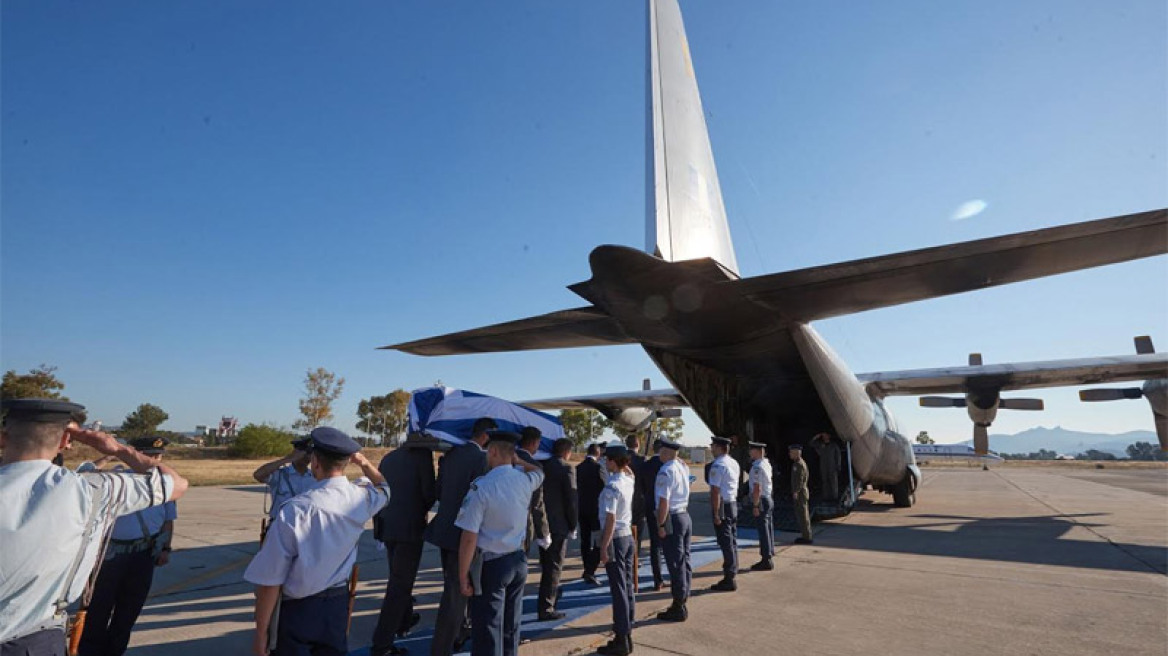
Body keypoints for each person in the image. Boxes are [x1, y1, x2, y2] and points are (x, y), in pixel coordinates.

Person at [0, 399, 189, 656]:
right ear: (67, 441)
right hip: (33, 641)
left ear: (3, 438)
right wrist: (115, 448)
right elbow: (176, 484)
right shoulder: (92, 490)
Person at [244, 427, 389, 656]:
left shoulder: (295, 510)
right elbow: (385, 489)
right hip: (336, 606)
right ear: (346, 462)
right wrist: (363, 463)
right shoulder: (361, 498)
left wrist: (262, 633)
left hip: (298, 609)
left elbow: (270, 580)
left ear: (315, 462)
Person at [78, 437, 178, 656]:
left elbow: (167, 521)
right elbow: (83, 476)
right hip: (110, 555)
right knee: (97, 611)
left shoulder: (165, 485)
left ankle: (115, 652)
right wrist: (109, 456)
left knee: (128, 612)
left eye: (158, 456)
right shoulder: (117, 479)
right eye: (149, 455)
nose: (154, 460)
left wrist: (165, 548)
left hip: (144, 555)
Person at [455, 431, 545, 656]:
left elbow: (469, 537)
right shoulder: (524, 479)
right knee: (511, 627)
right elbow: (540, 473)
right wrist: (519, 461)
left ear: (493, 451)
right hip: (518, 560)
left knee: (488, 630)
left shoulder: (482, 487)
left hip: (493, 565)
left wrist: (463, 574)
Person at [427, 418, 494, 656]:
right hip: (463, 535)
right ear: (485, 436)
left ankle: (458, 634)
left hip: (444, 530)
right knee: (456, 594)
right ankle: (441, 649)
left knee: (455, 589)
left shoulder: (452, 455)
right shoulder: (481, 459)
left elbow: (439, 491)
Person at [370, 435, 437, 656]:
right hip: (410, 529)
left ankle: (403, 620)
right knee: (400, 586)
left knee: (397, 578)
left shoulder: (389, 458)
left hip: (387, 526)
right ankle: (382, 644)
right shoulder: (422, 458)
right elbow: (428, 493)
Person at [596, 441, 636, 656]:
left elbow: (610, 519)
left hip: (616, 539)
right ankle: (627, 633)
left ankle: (621, 637)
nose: (604, 462)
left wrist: (604, 547)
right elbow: (628, 472)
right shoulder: (627, 480)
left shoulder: (612, 486)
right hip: (628, 537)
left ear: (612, 461)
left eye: (607, 459)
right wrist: (622, 462)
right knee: (627, 587)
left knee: (618, 589)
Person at [537, 438, 577, 621]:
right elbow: (571, 500)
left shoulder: (541, 466)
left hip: (542, 524)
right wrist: (573, 524)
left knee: (546, 565)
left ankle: (550, 596)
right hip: (559, 525)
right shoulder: (567, 468)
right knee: (554, 567)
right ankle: (547, 607)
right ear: (567, 451)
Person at [653, 437, 691, 622]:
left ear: (667, 452)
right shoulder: (682, 467)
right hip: (684, 516)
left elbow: (663, 501)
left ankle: (678, 606)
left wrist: (661, 524)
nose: (659, 454)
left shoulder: (665, 471)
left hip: (673, 519)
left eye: (661, 451)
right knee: (684, 560)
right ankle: (683, 596)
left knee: (675, 563)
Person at [253, 438, 316, 533]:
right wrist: (287, 459)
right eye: (304, 454)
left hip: (304, 527)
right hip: (280, 526)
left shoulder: (314, 477)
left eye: (309, 454)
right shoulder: (280, 474)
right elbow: (258, 475)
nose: (306, 457)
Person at [707, 436, 740, 592]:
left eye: (713, 446)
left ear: (719, 448)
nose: (711, 448)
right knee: (732, 540)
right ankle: (733, 570)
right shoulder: (733, 463)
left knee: (725, 542)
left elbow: (715, 491)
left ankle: (729, 577)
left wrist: (715, 513)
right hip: (732, 503)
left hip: (723, 506)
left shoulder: (718, 465)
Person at [636, 439, 666, 591]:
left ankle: (657, 579)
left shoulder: (645, 466)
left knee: (655, 545)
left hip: (650, 506)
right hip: (665, 508)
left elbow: (640, 487)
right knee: (669, 544)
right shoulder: (667, 466)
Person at [517, 427, 550, 553]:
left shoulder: (506, 460)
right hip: (523, 522)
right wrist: (543, 532)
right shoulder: (535, 466)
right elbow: (537, 503)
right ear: (533, 443)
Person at [575, 443, 604, 586]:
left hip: (582, 508)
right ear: (598, 454)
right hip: (596, 510)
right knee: (598, 541)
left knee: (585, 540)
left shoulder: (578, 468)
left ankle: (587, 565)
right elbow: (605, 487)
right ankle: (590, 569)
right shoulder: (599, 468)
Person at [747, 441, 775, 570]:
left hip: (761, 500)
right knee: (768, 528)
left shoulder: (757, 467)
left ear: (757, 451)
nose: (749, 452)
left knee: (763, 531)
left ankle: (766, 559)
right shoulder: (766, 463)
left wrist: (756, 505)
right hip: (768, 498)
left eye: (751, 450)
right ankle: (769, 554)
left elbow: (757, 487)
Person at [624, 434, 647, 589]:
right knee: (637, 533)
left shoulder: (622, 459)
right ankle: (635, 559)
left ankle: (626, 559)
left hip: (625, 501)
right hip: (639, 501)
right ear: (638, 444)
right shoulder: (642, 461)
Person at [789, 443, 813, 545]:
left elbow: (800, 480)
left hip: (801, 493)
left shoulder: (799, 464)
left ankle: (807, 537)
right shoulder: (797, 463)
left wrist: (796, 491)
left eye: (791, 452)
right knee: (801, 515)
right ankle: (805, 535)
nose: (789, 454)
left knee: (803, 515)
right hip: (801, 492)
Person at [811, 432, 841, 502]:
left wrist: (838, 465)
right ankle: (826, 497)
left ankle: (834, 497)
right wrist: (816, 436)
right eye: (823, 435)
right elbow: (811, 443)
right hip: (823, 466)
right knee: (825, 481)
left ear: (829, 436)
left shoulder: (833, 445)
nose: (824, 437)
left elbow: (838, 456)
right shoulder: (820, 445)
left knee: (833, 482)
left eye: (826, 435)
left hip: (832, 466)